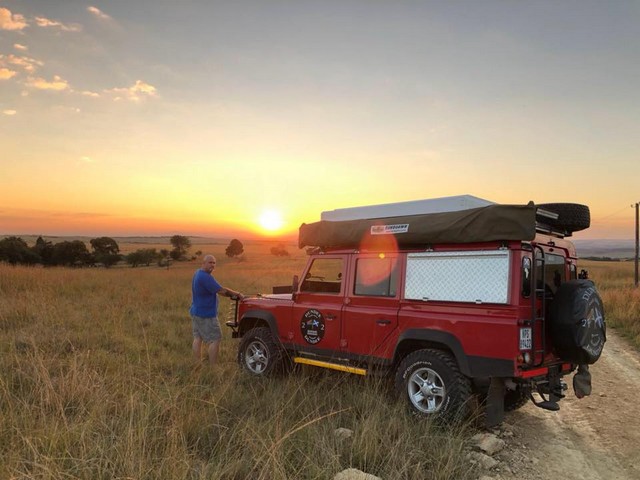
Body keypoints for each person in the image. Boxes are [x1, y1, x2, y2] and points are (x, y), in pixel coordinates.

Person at [190, 254, 244, 366]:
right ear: (203, 263)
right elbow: (221, 291)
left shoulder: (197, 273)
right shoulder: (205, 277)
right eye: (210, 262)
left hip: (196, 311)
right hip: (206, 314)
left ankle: (196, 363)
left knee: (198, 337)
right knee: (215, 339)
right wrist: (237, 294)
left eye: (214, 263)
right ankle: (214, 367)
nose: (212, 265)